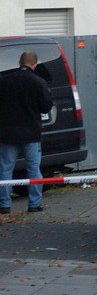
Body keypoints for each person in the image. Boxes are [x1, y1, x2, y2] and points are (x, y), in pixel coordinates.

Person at [0, 51, 53, 214]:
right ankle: (34, 204)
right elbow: (46, 106)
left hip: (7, 134)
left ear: (19, 63)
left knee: (5, 169)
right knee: (33, 169)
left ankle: (4, 205)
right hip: (31, 134)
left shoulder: (4, 81)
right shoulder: (38, 82)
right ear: (34, 65)